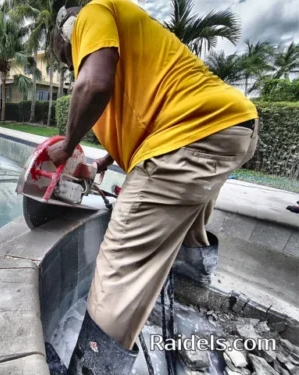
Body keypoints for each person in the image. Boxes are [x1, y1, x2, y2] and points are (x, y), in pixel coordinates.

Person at [48, 0, 259, 373]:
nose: (73, 64)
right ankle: (191, 281)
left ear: (67, 31)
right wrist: (103, 161)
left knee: (120, 262)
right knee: (188, 218)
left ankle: (91, 368)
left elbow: (94, 84)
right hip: (232, 126)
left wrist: (67, 145)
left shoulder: (92, 13)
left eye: (69, 59)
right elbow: (143, 107)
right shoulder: (128, 38)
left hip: (188, 138)